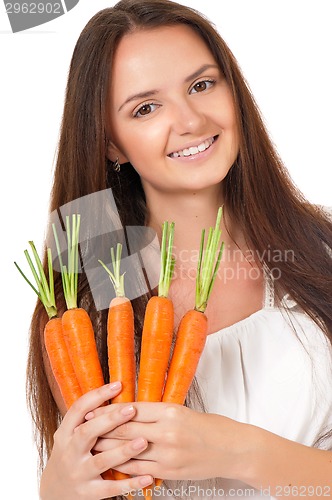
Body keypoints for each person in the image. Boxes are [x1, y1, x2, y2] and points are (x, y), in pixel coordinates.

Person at [26, 0, 332, 499]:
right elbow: (115, 487)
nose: (189, 120)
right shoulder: (91, 282)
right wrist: (57, 491)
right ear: (111, 144)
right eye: (146, 108)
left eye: (201, 84)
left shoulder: (321, 249)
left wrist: (239, 451)